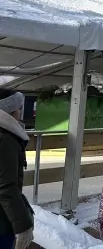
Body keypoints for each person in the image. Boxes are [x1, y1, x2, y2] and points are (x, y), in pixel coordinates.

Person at [0, 89, 34, 249]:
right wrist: (23, 226)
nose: (21, 111)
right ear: (11, 111)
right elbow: (6, 187)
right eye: (19, 107)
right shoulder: (5, 138)